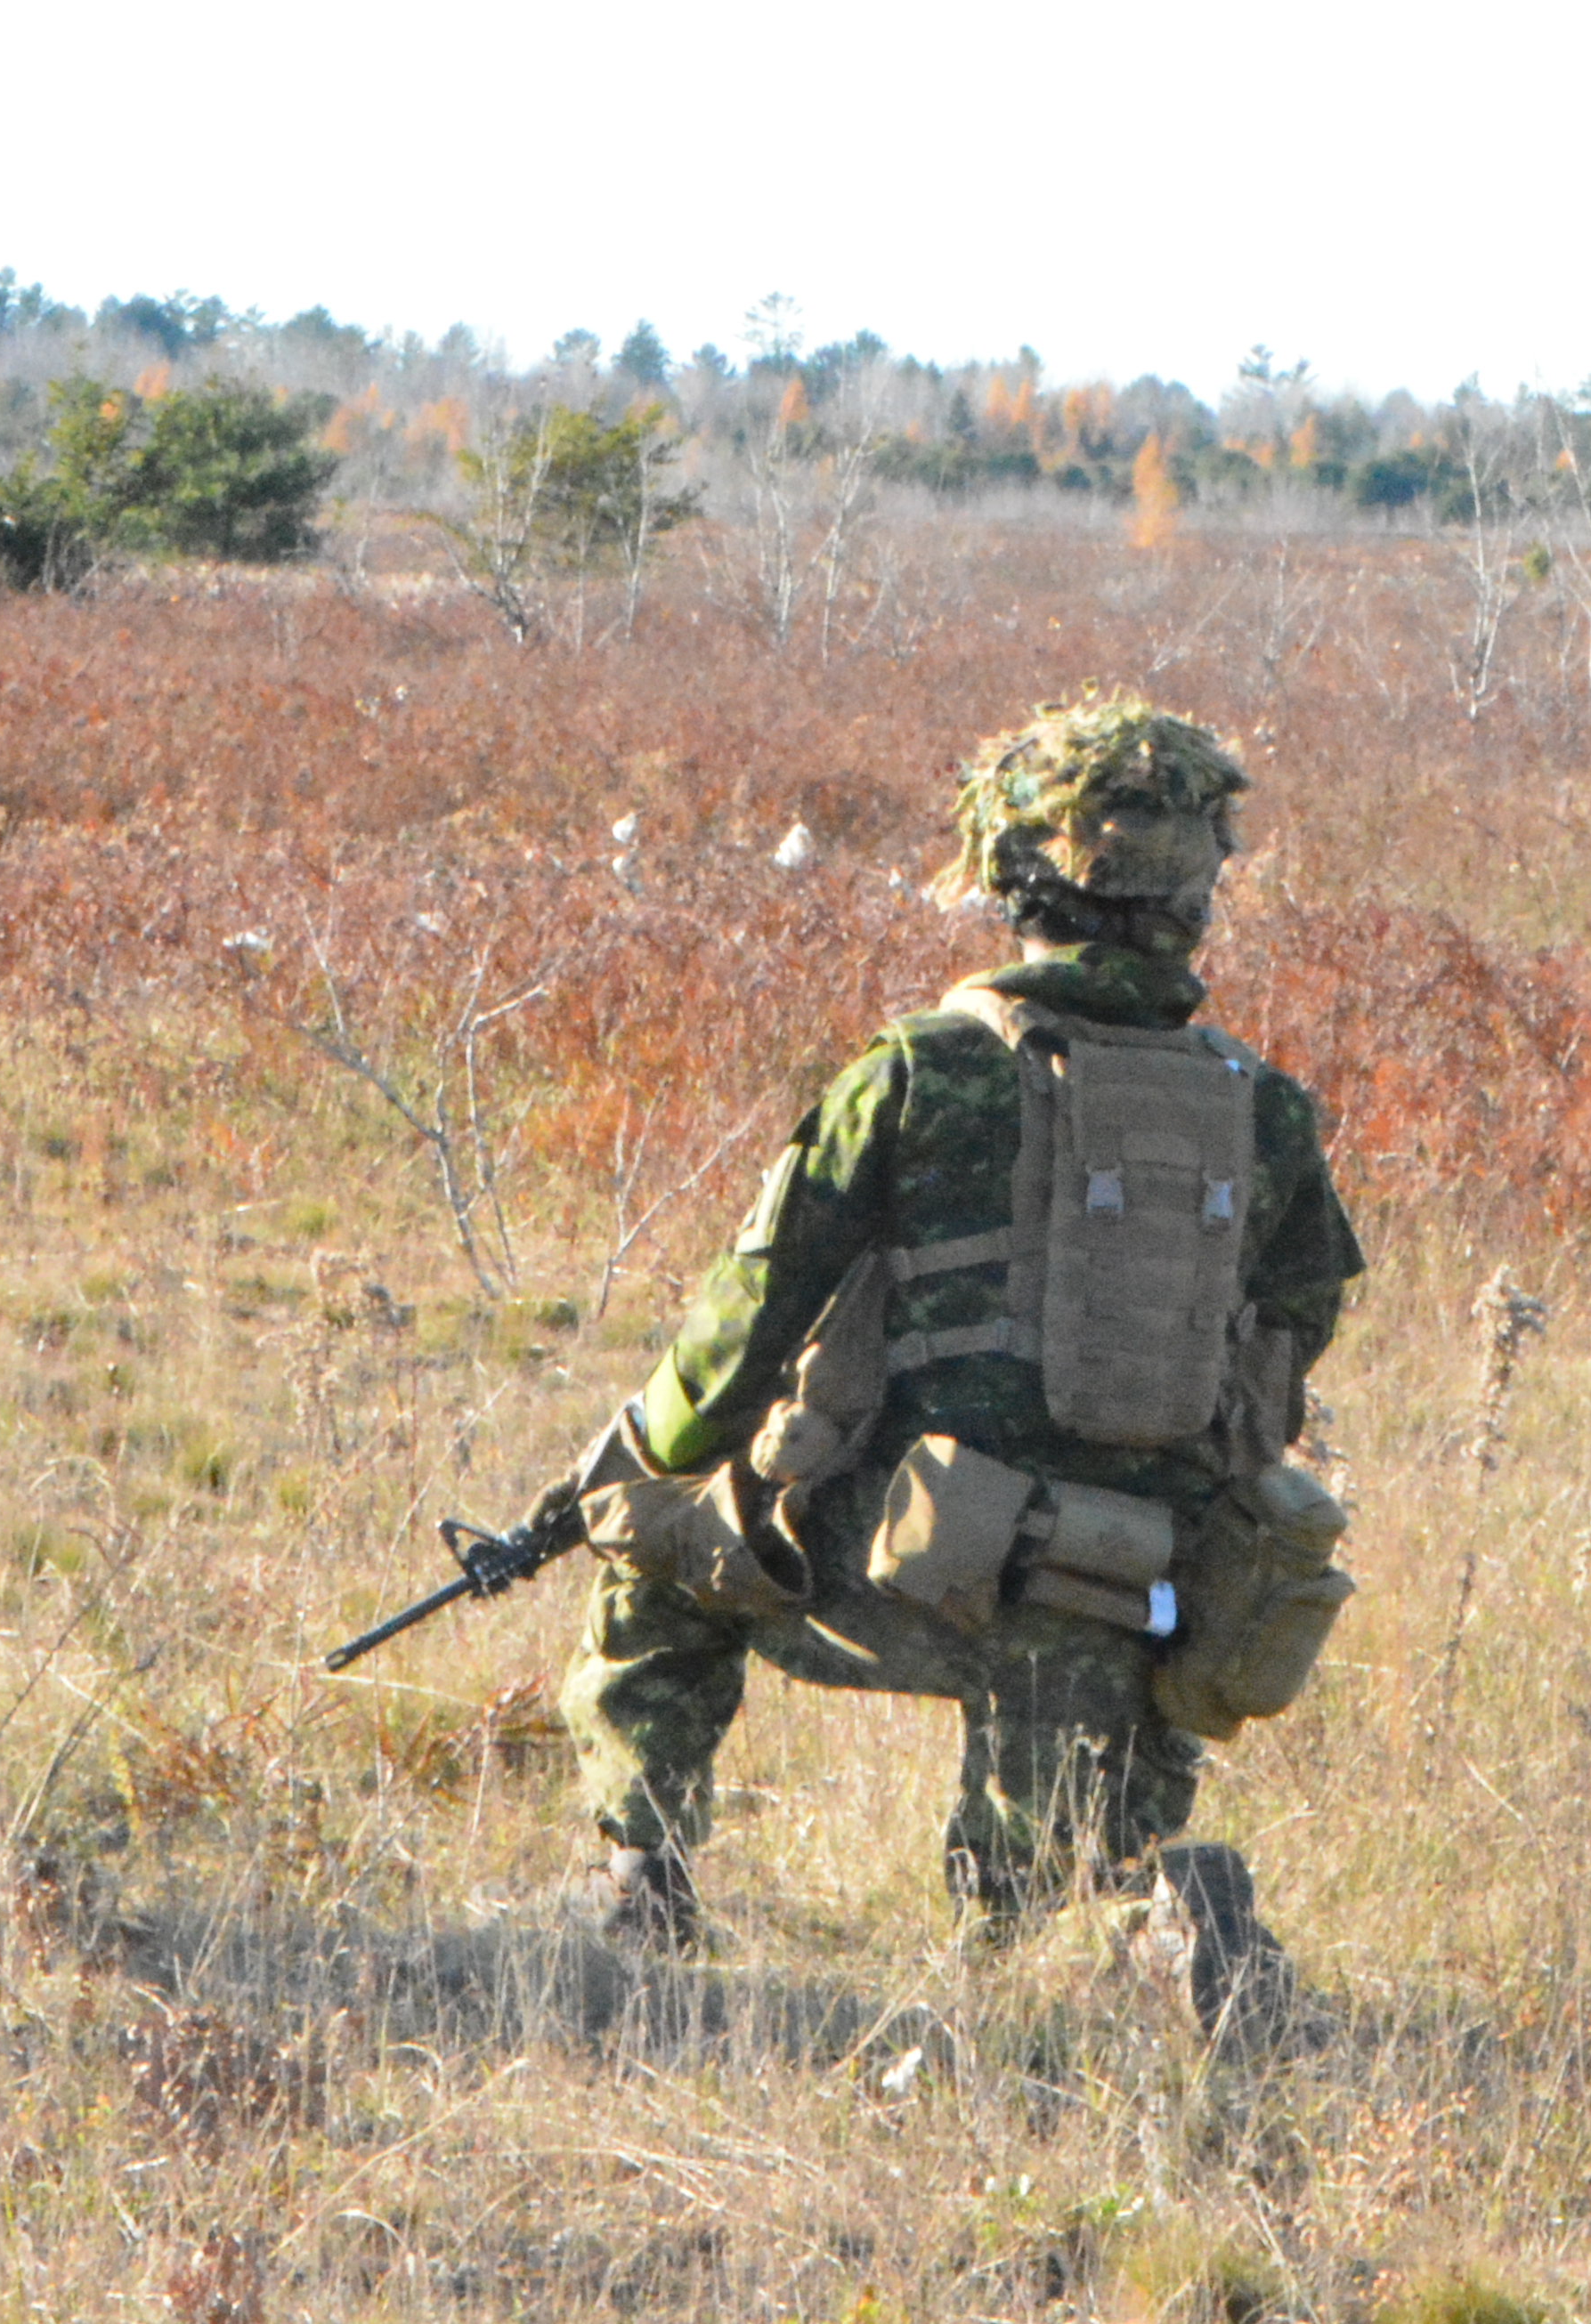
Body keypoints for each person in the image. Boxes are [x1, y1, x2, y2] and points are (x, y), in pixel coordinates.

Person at [548, 691, 1365, 2020]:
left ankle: (642, 1878)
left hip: (916, 1562)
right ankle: (1174, 1923)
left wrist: (635, 1464)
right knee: (1049, 1906)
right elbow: (1294, 1330)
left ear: (1015, 873)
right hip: (1143, 1591)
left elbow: (746, 1324)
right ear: (1195, 881)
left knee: (653, 1561)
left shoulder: (923, 1073)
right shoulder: (1263, 1109)